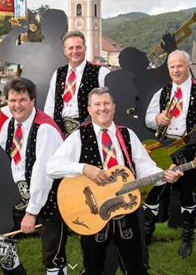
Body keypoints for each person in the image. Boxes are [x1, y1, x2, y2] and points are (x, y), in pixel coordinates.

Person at [47, 87, 183, 274]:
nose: (102, 108)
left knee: (136, 267)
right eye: (97, 104)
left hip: (126, 210)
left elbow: (145, 167)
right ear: (89, 109)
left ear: (114, 107)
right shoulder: (78, 136)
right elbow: (52, 167)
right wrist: (83, 168)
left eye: (106, 103)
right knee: (93, 268)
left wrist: (163, 175)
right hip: (92, 212)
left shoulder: (127, 134)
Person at [144, 50, 196, 258]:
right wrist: (157, 118)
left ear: (188, 66)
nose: (176, 70)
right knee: (154, 190)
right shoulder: (162, 92)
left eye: (179, 65)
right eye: (172, 66)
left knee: (188, 193)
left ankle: (187, 238)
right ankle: (147, 233)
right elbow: (148, 118)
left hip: (189, 149)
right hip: (164, 148)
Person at [0, 78, 68, 275]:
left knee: (52, 256)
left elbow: (43, 174)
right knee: (0, 244)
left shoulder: (45, 128)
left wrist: (31, 212)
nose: (17, 105)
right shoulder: (8, 126)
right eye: (12, 100)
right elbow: (0, 160)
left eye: (22, 100)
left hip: (50, 197)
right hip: (18, 195)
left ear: (32, 100)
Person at [44, 31, 110, 135]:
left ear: (85, 49)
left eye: (78, 47)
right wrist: (50, 130)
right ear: (64, 51)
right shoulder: (58, 73)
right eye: (70, 48)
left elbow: (109, 105)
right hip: (61, 132)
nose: (75, 51)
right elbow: (50, 107)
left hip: (91, 132)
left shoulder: (101, 73)